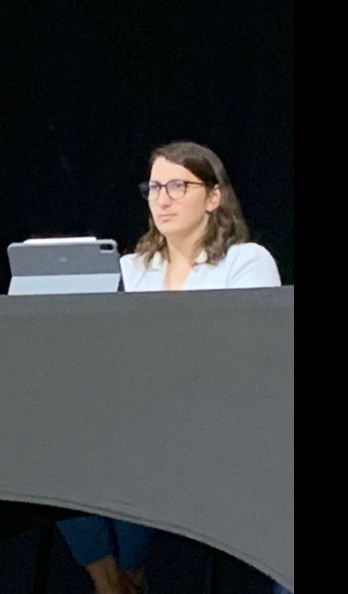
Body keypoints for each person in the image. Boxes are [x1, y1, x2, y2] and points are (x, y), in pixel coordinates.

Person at [56, 140, 282, 594]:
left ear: (213, 197)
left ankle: (132, 571)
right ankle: (109, 581)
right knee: (57, 441)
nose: (162, 198)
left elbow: (250, 357)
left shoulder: (245, 262)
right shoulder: (127, 269)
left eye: (178, 186)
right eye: (155, 187)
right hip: (136, 418)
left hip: (218, 424)